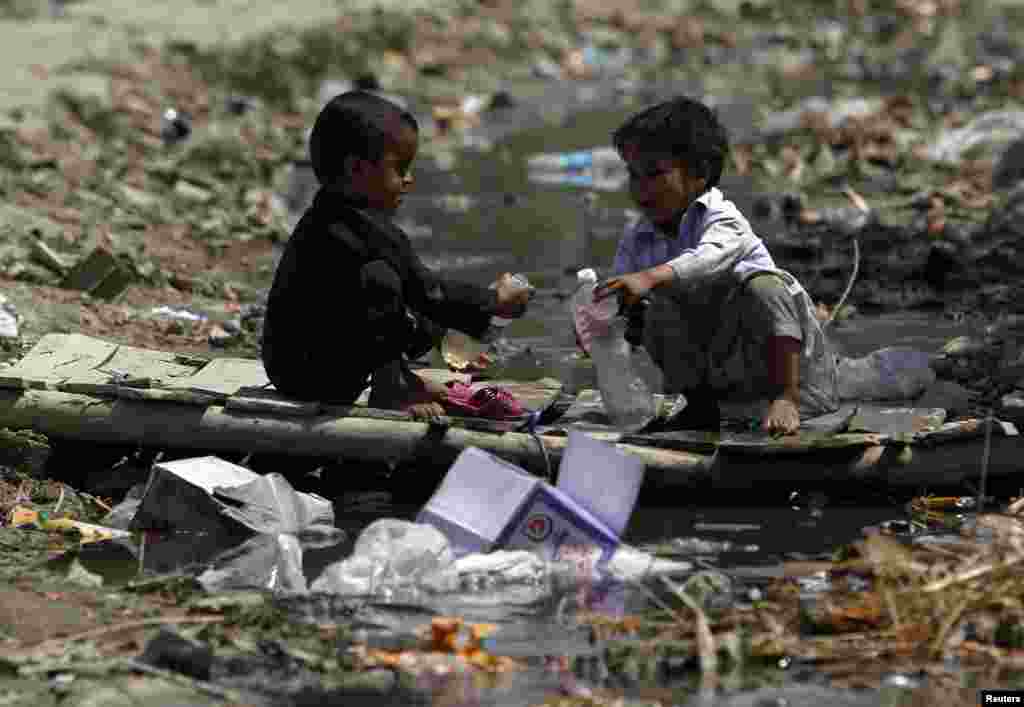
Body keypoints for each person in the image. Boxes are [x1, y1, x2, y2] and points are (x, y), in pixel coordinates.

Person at [261, 91, 531, 419]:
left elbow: (419, 293)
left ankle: (399, 377)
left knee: (398, 292)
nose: (408, 179)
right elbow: (428, 292)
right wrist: (494, 301)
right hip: (307, 374)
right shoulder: (349, 229)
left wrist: (452, 326)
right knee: (382, 280)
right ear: (357, 169)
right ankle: (391, 388)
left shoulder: (342, 215)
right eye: (400, 168)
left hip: (298, 366)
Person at [595, 96, 838, 435]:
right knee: (647, 304)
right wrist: (604, 318)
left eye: (654, 174)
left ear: (698, 174)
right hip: (728, 383)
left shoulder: (724, 220)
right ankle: (699, 406)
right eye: (634, 175)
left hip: (797, 385)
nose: (640, 188)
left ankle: (786, 397)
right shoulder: (638, 236)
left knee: (764, 286)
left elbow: (706, 260)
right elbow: (620, 292)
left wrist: (650, 277)